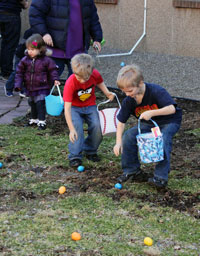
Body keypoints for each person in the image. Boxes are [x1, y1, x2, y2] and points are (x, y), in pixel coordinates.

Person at [113, 64, 182, 188]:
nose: (127, 94)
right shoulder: (129, 100)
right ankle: (132, 170)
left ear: (140, 83)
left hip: (169, 121)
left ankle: (160, 177)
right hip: (149, 124)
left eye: (130, 91)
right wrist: (118, 142)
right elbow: (121, 122)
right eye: (124, 91)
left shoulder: (156, 91)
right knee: (129, 136)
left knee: (163, 139)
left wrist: (152, 112)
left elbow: (171, 109)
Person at [63, 53, 114, 167]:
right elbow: (67, 108)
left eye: (85, 78)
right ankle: (75, 156)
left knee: (97, 126)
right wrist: (71, 129)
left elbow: (100, 82)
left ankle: (90, 150)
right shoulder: (70, 82)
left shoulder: (94, 74)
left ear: (91, 72)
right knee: (77, 129)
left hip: (90, 105)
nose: (81, 80)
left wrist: (107, 93)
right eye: (78, 77)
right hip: (74, 108)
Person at [29, 0, 103, 77]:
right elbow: (35, 14)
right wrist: (44, 33)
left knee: (77, 84)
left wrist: (97, 38)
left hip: (78, 50)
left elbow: (93, 18)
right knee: (47, 82)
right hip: (54, 49)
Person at [15, 34, 60, 130]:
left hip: (42, 86)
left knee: (40, 103)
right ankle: (33, 119)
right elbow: (19, 72)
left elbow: (53, 70)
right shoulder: (25, 60)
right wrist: (18, 85)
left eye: (33, 49)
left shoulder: (46, 60)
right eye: (28, 49)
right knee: (32, 103)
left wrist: (55, 79)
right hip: (29, 87)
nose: (30, 52)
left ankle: (42, 121)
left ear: (40, 49)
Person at [0, 0, 29, 80]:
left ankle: (4, 70)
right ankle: (6, 72)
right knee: (10, 44)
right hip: (11, 13)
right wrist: (24, 3)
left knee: (5, 43)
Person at [4, 28, 34, 97]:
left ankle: (23, 90)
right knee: (18, 72)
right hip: (21, 55)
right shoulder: (31, 32)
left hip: (30, 55)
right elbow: (29, 45)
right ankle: (8, 87)